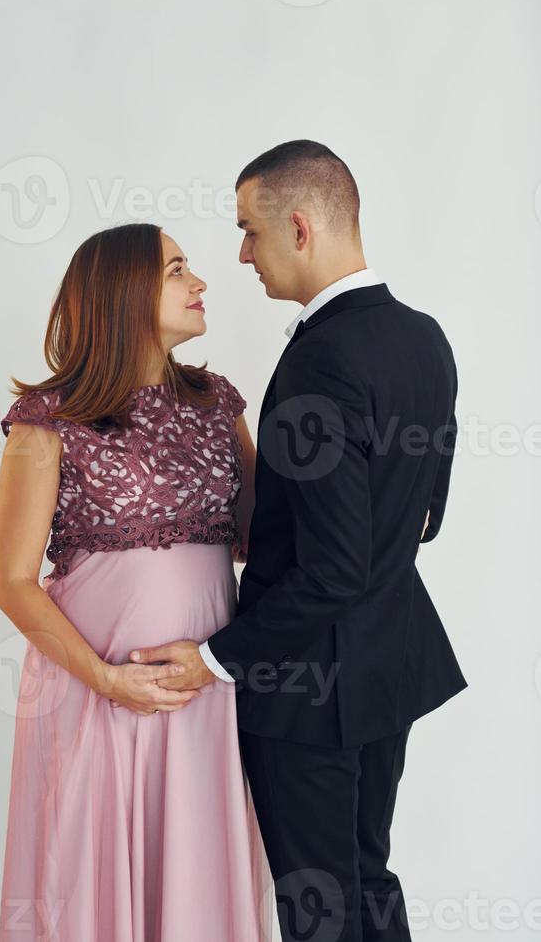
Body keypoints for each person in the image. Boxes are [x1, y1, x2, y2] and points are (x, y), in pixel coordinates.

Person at [129, 140, 469, 942]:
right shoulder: (423, 336)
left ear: (302, 228)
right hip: (392, 663)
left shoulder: (320, 361)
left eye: (249, 230)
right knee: (366, 877)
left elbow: (332, 567)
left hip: (309, 689)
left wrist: (217, 657)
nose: (242, 254)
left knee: (320, 907)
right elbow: (428, 510)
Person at [0, 223, 274, 942]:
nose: (200, 283)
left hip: (208, 684)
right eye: (178, 270)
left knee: (199, 873)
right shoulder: (48, 419)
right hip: (98, 687)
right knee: (92, 876)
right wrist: (107, 680)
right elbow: (11, 579)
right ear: (122, 294)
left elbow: (267, 535)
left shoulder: (217, 403)